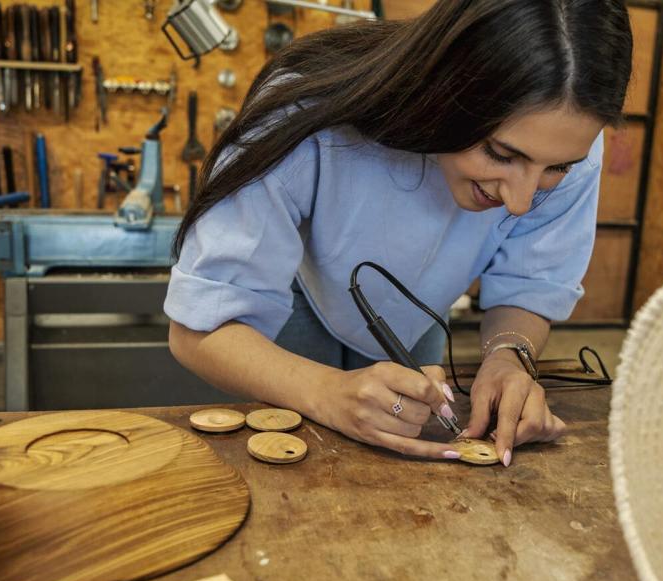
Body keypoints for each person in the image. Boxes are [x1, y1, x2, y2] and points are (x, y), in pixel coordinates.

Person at [166, 0, 632, 466]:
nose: (521, 202)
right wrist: (325, 393)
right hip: (295, 301)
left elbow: (531, 283)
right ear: (446, 86)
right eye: (500, 154)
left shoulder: (570, 140)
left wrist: (509, 356)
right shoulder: (305, 106)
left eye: (556, 169)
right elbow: (199, 330)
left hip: (419, 315)